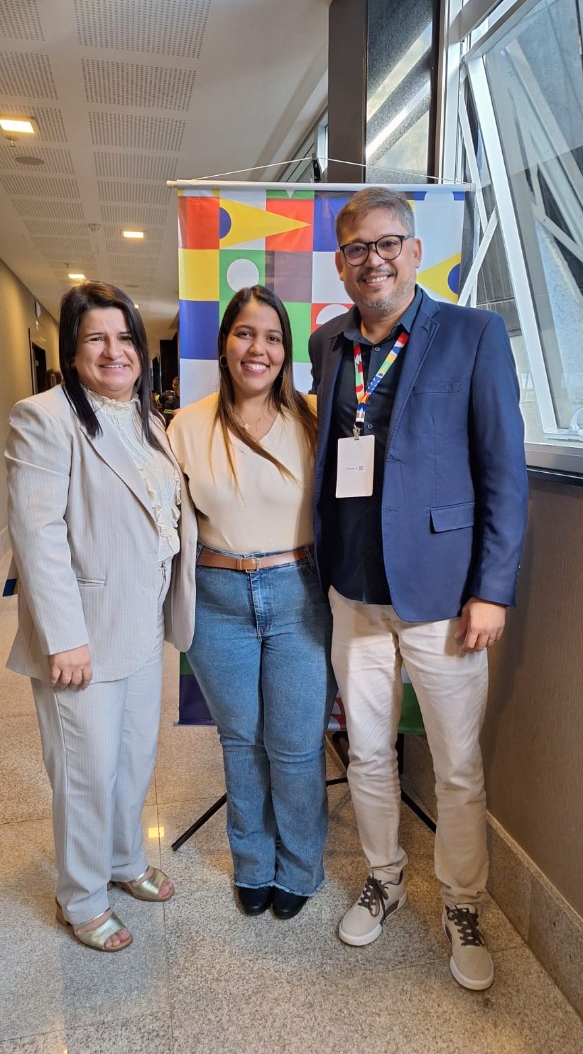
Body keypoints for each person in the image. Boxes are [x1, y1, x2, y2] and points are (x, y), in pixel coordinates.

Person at [309, 188, 528, 990]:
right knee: (367, 751)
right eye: (356, 248)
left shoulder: (473, 334)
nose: (373, 260)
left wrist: (491, 590)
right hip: (352, 590)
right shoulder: (328, 342)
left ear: (413, 250)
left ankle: (462, 901)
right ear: (340, 263)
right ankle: (384, 876)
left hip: (443, 598)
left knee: (456, 766)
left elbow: (503, 472)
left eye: (387, 243)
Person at [5, 281, 196, 952]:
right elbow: (38, 536)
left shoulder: (147, 421)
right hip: (81, 634)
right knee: (85, 772)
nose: (115, 352)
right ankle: (81, 896)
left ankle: (122, 859)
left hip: (140, 622)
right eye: (96, 339)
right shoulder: (43, 417)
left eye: (125, 338)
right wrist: (65, 639)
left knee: (133, 758)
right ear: (71, 350)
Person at [168, 284, 337, 921]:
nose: (257, 348)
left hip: (299, 595)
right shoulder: (187, 426)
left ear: (286, 351)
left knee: (295, 744)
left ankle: (300, 866)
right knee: (241, 741)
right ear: (224, 344)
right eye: (244, 333)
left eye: (271, 337)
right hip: (219, 601)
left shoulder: (314, 418)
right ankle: (253, 863)